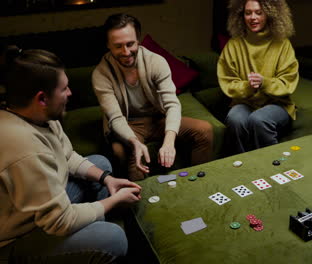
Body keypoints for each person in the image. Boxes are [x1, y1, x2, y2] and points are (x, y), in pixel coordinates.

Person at [0, 49, 142, 263]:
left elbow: (67, 156)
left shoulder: (41, 116)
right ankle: (96, 235)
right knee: (113, 238)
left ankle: (92, 227)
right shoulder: (25, 149)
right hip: (15, 239)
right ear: (42, 98)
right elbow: (60, 221)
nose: (70, 93)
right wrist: (113, 201)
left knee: (100, 164)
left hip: (37, 213)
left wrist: (107, 179)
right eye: (64, 88)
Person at [93, 14, 213, 181]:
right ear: (108, 45)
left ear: (138, 41)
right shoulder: (100, 74)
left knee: (204, 130)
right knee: (131, 158)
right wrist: (135, 143)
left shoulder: (156, 62)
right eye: (118, 46)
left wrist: (169, 141)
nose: (126, 52)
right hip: (128, 124)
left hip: (156, 119)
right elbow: (115, 117)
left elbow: (172, 104)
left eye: (130, 44)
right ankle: (143, 202)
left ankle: (197, 183)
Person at [217, 0, 299, 155]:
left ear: (270, 14)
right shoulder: (233, 45)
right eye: (248, 13)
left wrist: (264, 83)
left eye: (258, 12)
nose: (252, 17)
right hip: (245, 102)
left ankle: (270, 163)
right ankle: (243, 164)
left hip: (278, 104)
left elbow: (288, 83)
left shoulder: (282, 44)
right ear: (241, 16)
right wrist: (249, 86)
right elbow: (228, 82)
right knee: (235, 119)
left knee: (259, 119)